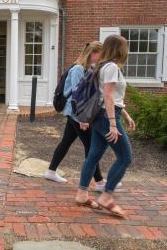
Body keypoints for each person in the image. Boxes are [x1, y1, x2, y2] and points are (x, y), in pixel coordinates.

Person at [75, 35, 135, 218]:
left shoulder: (102, 66)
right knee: (125, 157)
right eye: (125, 47)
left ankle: (82, 194)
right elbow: (108, 97)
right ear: (120, 49)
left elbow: (110, 96)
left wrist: (125, 114)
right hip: (106, 117)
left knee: (93, 156)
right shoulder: (112, 67)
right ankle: (107, 196)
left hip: (103, 115)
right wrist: (113, 124)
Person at [45, 41, 107, 191]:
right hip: (76, 114)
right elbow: (78, 96)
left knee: (66, 141)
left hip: (75, 113)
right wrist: (82, 119)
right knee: (91, 146)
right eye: (100, 54)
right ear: (92, 53)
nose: (102, 57)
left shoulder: (87, 68)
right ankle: (99, 182)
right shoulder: (78, 69)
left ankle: (51, 171)